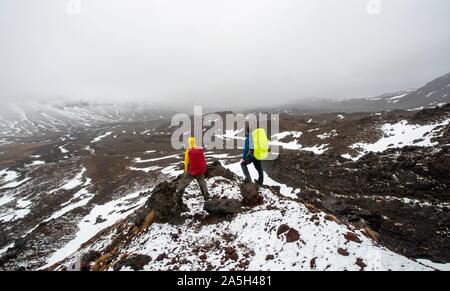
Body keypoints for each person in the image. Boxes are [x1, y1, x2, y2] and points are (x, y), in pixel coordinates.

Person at [173, 136, 209, 206]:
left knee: (183, 183)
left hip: (192, 171)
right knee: (202, 184)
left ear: (189, 142)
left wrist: (186, 170)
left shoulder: (188, 150)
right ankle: (206, 197)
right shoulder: (199, 148)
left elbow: (186, 161)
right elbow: (203, 159)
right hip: (200, 170)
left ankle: (177, 197)